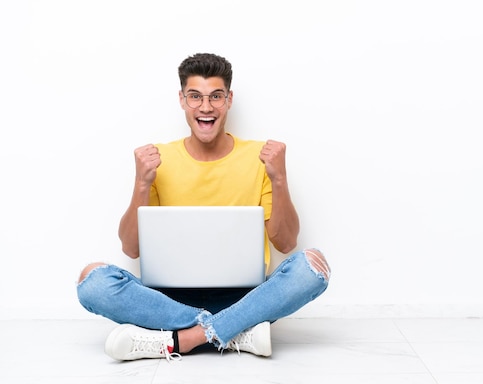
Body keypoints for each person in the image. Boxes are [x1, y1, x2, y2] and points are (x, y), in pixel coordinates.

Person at [76, 53, 331, 361]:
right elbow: (131, 249)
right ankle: (235, 332)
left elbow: (287, 242)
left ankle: (181, 340)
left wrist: (279, 178)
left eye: (216, 96)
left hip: (246, 297)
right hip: (168, 302)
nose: (206, 107)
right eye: (195, 96)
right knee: (92, 282)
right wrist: (142, 183)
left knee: (313, 267)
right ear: (182, 100)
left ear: (229, 99)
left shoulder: (259, 158)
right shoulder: (157, 159)